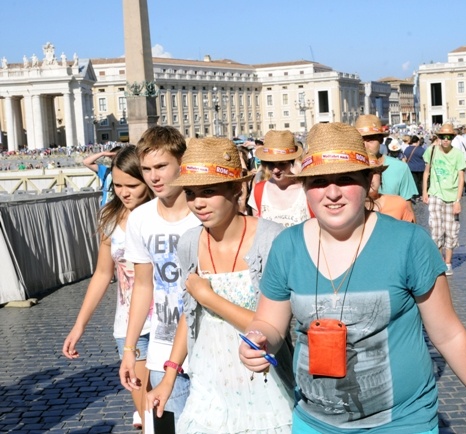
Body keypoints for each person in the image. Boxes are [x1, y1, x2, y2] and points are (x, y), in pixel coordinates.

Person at [238, 122, 466, 434]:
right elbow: (270, 323)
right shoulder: (287, 245)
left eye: (345, 179)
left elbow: (448, 334)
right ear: (305, 187)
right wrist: (260, 339)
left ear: (368, 180)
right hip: (316, 422)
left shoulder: (409, 242)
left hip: (401, 422)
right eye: (318, 181)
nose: (331, 193)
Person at [146, 137, 294, 433]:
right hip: (208, 385)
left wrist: (209, 298)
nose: (198, 203)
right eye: (191, 193)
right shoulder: (190, 242)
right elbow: (190, 314)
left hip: (264, 383)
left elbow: (273, 326)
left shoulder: (272, 239)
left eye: (209, 191)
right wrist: (169, 377)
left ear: (236, 188)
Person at [63, 145, 154, 429]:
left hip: (168, 323)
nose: (124, 192)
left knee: (172, 405)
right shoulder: (110, 218)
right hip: (128, 326)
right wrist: (79, 326)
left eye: (132, 185)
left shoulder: (162, 216)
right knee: (146, 411)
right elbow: (102, 274)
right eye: (117, 185)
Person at [119, 126, 200, 425]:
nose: (154, 177)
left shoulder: (202, 212)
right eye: (147, 169)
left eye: (162, 166)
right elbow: (143, 286)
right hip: (162, 346)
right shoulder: (140, 218)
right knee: (171, 427)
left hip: (206, 343)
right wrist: (129, 349)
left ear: (181, 163)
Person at [422, 123, 466, 276]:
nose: (445, 140)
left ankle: (448, 263)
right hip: (435, 193)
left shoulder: (458, 155)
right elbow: (426, 172)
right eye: (442, 137)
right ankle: (439, 261)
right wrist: (424, 192)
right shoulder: (431, 150)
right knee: (436, 230)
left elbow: (461, 178)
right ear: (438, 138)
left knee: (451, 231)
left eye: (449, 137)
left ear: (453, 138)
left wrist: (458, 200)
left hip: (452, 196)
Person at [248, 130, 311, 227]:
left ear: (292, 162)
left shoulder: (307, 190)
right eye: (271, 164)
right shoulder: (258, 191)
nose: (276, 170)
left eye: (282, 164)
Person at [355, 115, 418, 201]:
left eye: (370, 140)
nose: (365, 146)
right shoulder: (347, 170)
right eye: (360, 140)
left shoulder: (400, 168)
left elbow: (407, 209)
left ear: (381, 140)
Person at [367, 156, 415, 222]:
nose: (370, 177)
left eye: (374, 172)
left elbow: (411, 229)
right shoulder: (349, 209)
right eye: (364, 173)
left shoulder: (398, 204)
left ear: (380, 176)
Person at [403, 135, 426, 200]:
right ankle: (420, 194)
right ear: (418, 141)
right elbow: (425, 158)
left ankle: (414, 195)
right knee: (420, 182)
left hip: (411, 168)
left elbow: (405, 158)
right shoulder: (421, 149)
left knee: (413, 181)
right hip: (421, 168)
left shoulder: (407, 149)